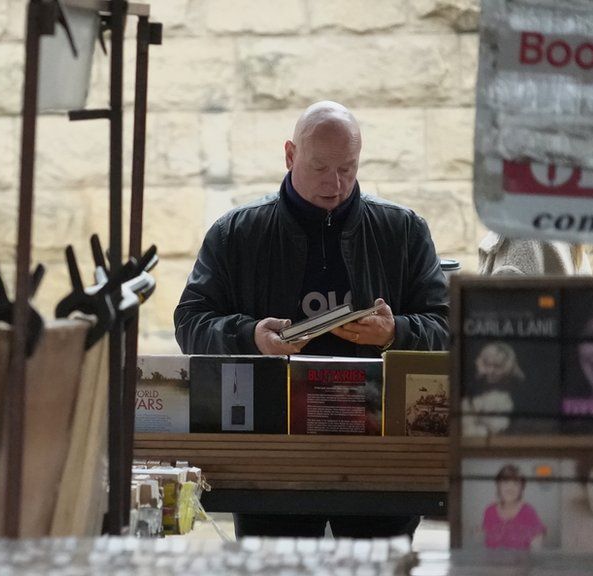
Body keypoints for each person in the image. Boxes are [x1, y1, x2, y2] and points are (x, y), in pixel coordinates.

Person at [174, 101, 448, 539]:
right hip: (272, 449)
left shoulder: (403, 230)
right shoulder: (237, 232)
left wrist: (397, 332)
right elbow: (190, 322)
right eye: (320, 167)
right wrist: (251, 336)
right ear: (289, 155)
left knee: (379, 569)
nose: (334, 184)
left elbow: (449, 327)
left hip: (379, 449)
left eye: (348, 168)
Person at [480, 464, 546, 551]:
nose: (510, 488)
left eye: (516, 484)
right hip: (493, 564)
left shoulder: (528, 512)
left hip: (521, 564)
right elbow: (485, 541)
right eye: (505, 483)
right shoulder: (489, 511)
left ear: (522, 488)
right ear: (498, 486)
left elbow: (536, 548)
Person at [461, 342, 520, 437]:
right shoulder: (468, 389)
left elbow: (496, 428)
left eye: (497, 366)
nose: (490, 371)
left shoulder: (502, 400)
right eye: (486, 363)